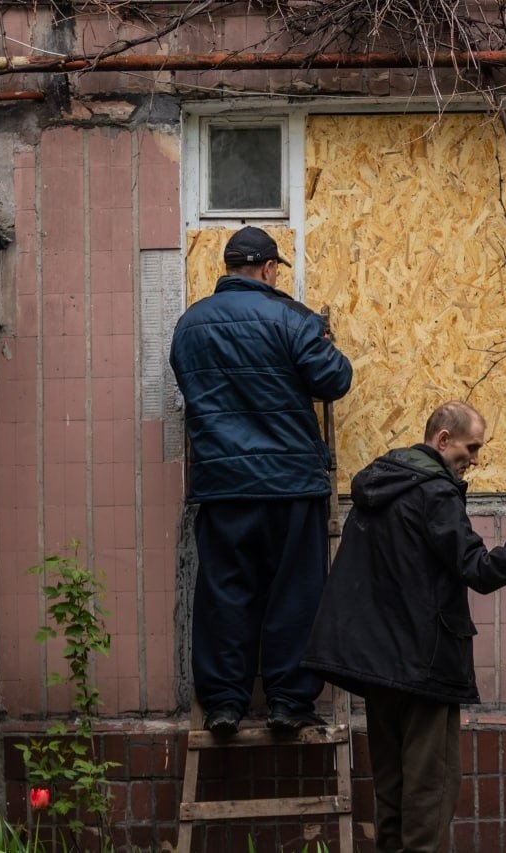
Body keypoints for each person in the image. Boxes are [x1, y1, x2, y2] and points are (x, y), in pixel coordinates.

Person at [302, 400, 506, 853]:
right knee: (430, 790)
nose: (475, 460)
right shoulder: (435, 492)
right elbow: (479, 570)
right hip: (425, 665)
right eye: (471, 448)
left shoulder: (378, 487)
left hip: (378, 668)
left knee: (391, 788)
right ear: (443, 440)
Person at [169, 225, 353, 736]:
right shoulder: (292, 319)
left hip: (223, 486)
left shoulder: (190, 326)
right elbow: (335, 380)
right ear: (270, 269)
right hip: (290, 486)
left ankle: (224, 705)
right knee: (294, 593)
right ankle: (287, 702)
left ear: (229, 268)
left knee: (224, 593)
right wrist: (324, 340)